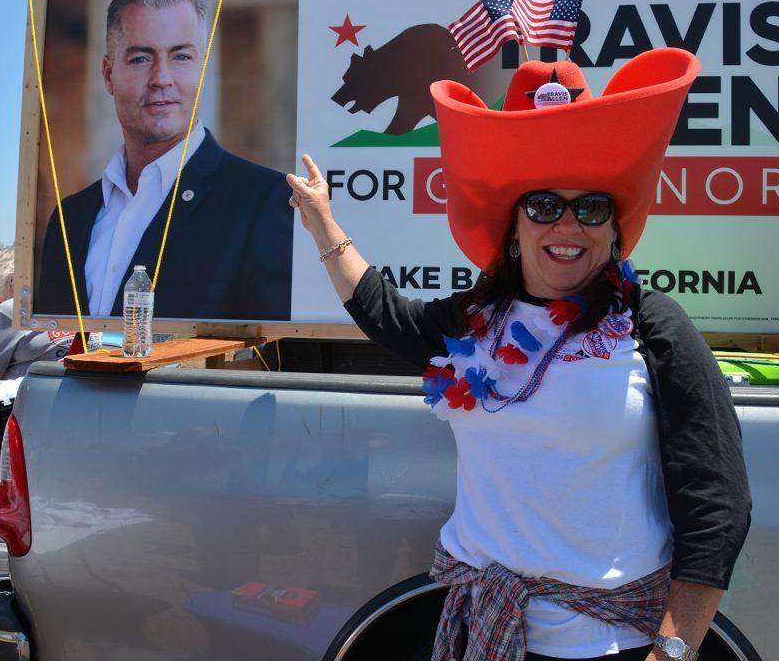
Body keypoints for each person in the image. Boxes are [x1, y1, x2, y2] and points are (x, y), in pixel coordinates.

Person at [287, 49, 751, 661]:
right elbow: (385, 313)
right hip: (482, 631)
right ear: (514, 226)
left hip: (610, 644)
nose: (567, 224)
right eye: (543, 206)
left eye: (591, 207)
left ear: (615, 230)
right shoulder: (473, 321)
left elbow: (717, 500)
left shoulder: (651, 323)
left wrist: (673, 651)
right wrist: (322, 221)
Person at [38, 0, 293, 321]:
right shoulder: (70, 218)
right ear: (109, 75)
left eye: (181, 57)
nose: (161, 78)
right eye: (141, 58)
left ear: (202, 70)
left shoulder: (265, 203)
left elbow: (273, 361)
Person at [0, 247, 75, 380]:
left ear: (8, 282)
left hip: (27, 396)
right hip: (78, 390)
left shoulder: (11, 309)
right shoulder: (77, 305)